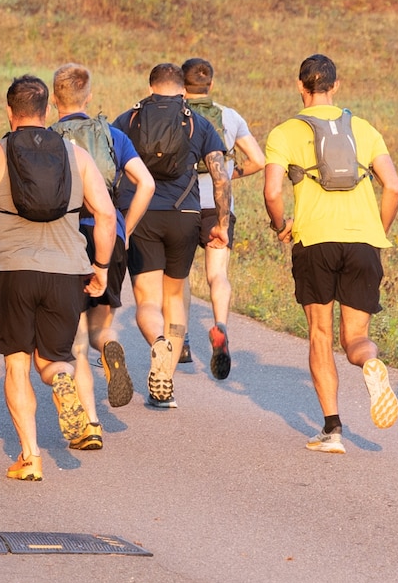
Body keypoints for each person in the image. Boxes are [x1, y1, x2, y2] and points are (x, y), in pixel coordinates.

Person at [0, 75, 116, 481]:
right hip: (66, 271)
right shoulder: (77, 156)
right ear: (47, 111)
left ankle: (30, 457)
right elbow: (107, 216)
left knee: (17, 365)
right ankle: (62, 381)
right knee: (52, 360)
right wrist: (102, 268)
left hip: (13, 272)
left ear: (10, 111)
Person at [263, 54, 398, 454]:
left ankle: (332, 430)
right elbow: (392, 186)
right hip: (363, 241)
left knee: (320, 335)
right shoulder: (364, 128)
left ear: (299, 85)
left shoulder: (285, 132)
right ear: (335, 86)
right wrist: (377, 231)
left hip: (315, 241)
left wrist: (279, 226)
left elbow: (273, 191)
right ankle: (371, 363)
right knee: (356, 338)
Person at [113, 63, 229, 408]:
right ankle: (166, 382)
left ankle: (158, 342)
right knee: (174, 298)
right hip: (185, 215)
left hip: (142, 211)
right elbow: (219, 176)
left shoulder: (128, 120)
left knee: (147, 300)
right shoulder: (198, 121)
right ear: (182, 89)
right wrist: (221, 222)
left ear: (150, 87)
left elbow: (109, 168)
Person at [50, 63, 155, 441]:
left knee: (75, 340)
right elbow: (146, 182)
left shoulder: (48, 138)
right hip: (110, 236)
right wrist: (126, 226)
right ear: (88, 96)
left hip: (67, 239)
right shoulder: (111, 135)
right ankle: (110, 347)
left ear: (54, 99)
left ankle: (91, 424)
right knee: (100, 327)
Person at [182, 57, 266, 380]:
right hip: (219, 207)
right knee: (218, 275)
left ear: (183, 85)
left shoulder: (179, 116)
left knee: (181, 277)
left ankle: (184, 340)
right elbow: (258, 160)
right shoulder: (229, 117)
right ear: (211, 85)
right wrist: (232, 173)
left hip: (183, 204)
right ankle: (220, 326)